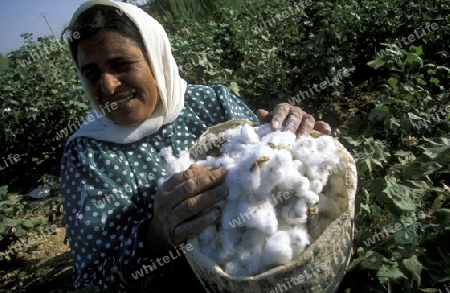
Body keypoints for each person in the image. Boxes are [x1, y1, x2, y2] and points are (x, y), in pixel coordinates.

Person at [60, 0, 331, 292]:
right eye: (91, 74)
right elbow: (92, 281)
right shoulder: (86, 156)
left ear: (156, 58)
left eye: (121, 65)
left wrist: (286, 135)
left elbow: (271, 172)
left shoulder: (211, 102)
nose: (109, 86)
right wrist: (155, 237)